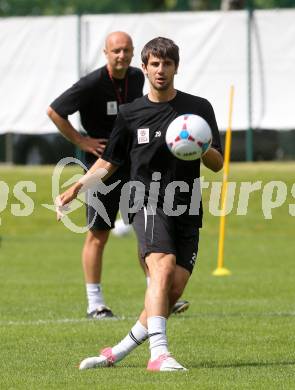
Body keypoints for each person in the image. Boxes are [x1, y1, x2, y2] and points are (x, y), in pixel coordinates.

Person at [56, 36, 223, 371]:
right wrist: (76, 187)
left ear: (177, 66)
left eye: (168, 64)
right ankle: (159, 354)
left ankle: (117, 351)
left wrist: (200, 145)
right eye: (155, 64)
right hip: (145, 198)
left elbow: (217, 164)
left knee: (171, 289)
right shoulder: (131, 114)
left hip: (187, 205)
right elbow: (108, 163)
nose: (161, 70)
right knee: (161, 266)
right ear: (144, 68)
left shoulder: (199, 109)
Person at [47, 31, 144, 319]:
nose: (121, 56)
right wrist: (83, 142)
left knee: (147, 229)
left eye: (126, 50)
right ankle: (95, 303)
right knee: (98, 234)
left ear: (132, 52)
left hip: (132, 164)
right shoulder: (91, 83)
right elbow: (54, 112)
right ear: (106, 53)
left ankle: (159, 294)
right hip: (100, 168)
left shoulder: (138, 78)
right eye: (116, 51)